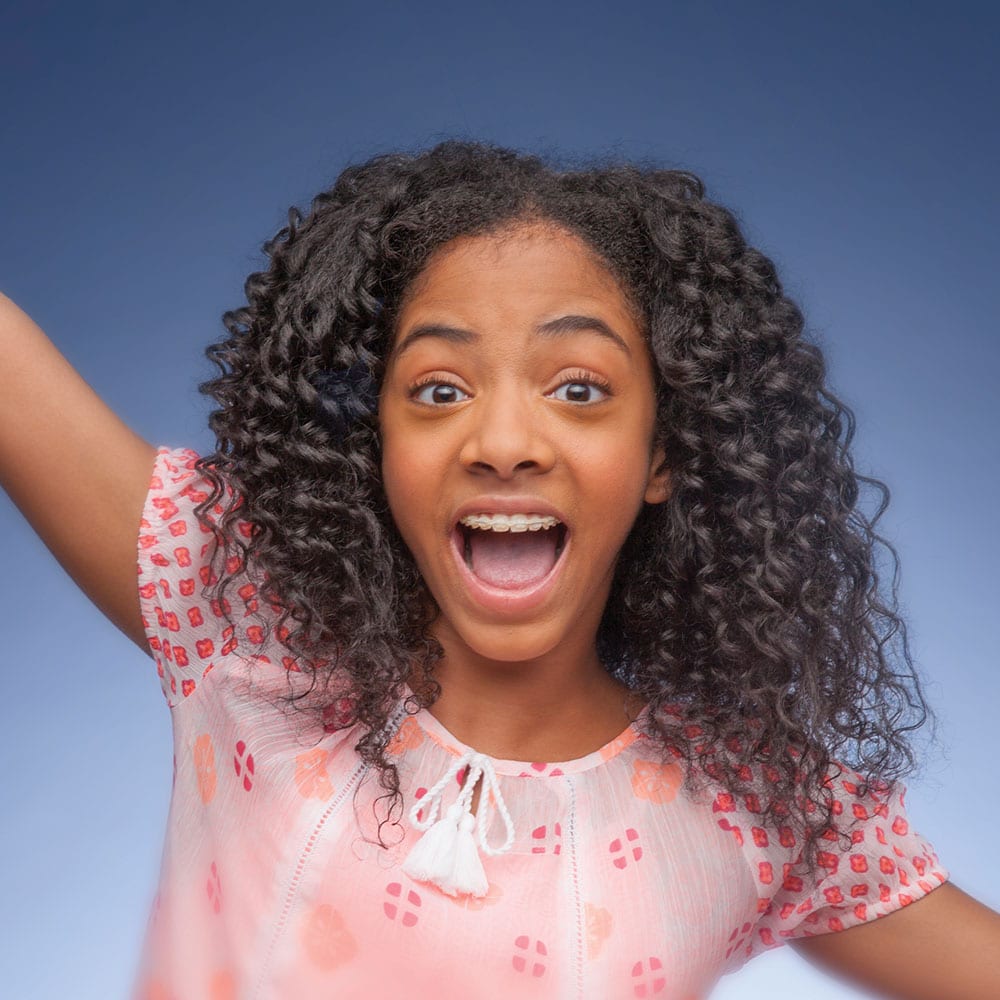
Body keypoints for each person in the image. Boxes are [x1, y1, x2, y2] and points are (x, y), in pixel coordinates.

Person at [1, 140, 998, 1000]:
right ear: (375, 443)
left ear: (662, 455)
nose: (505, 440)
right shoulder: (244, 618)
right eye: (438, 388)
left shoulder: (749, 803)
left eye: (578, 388)